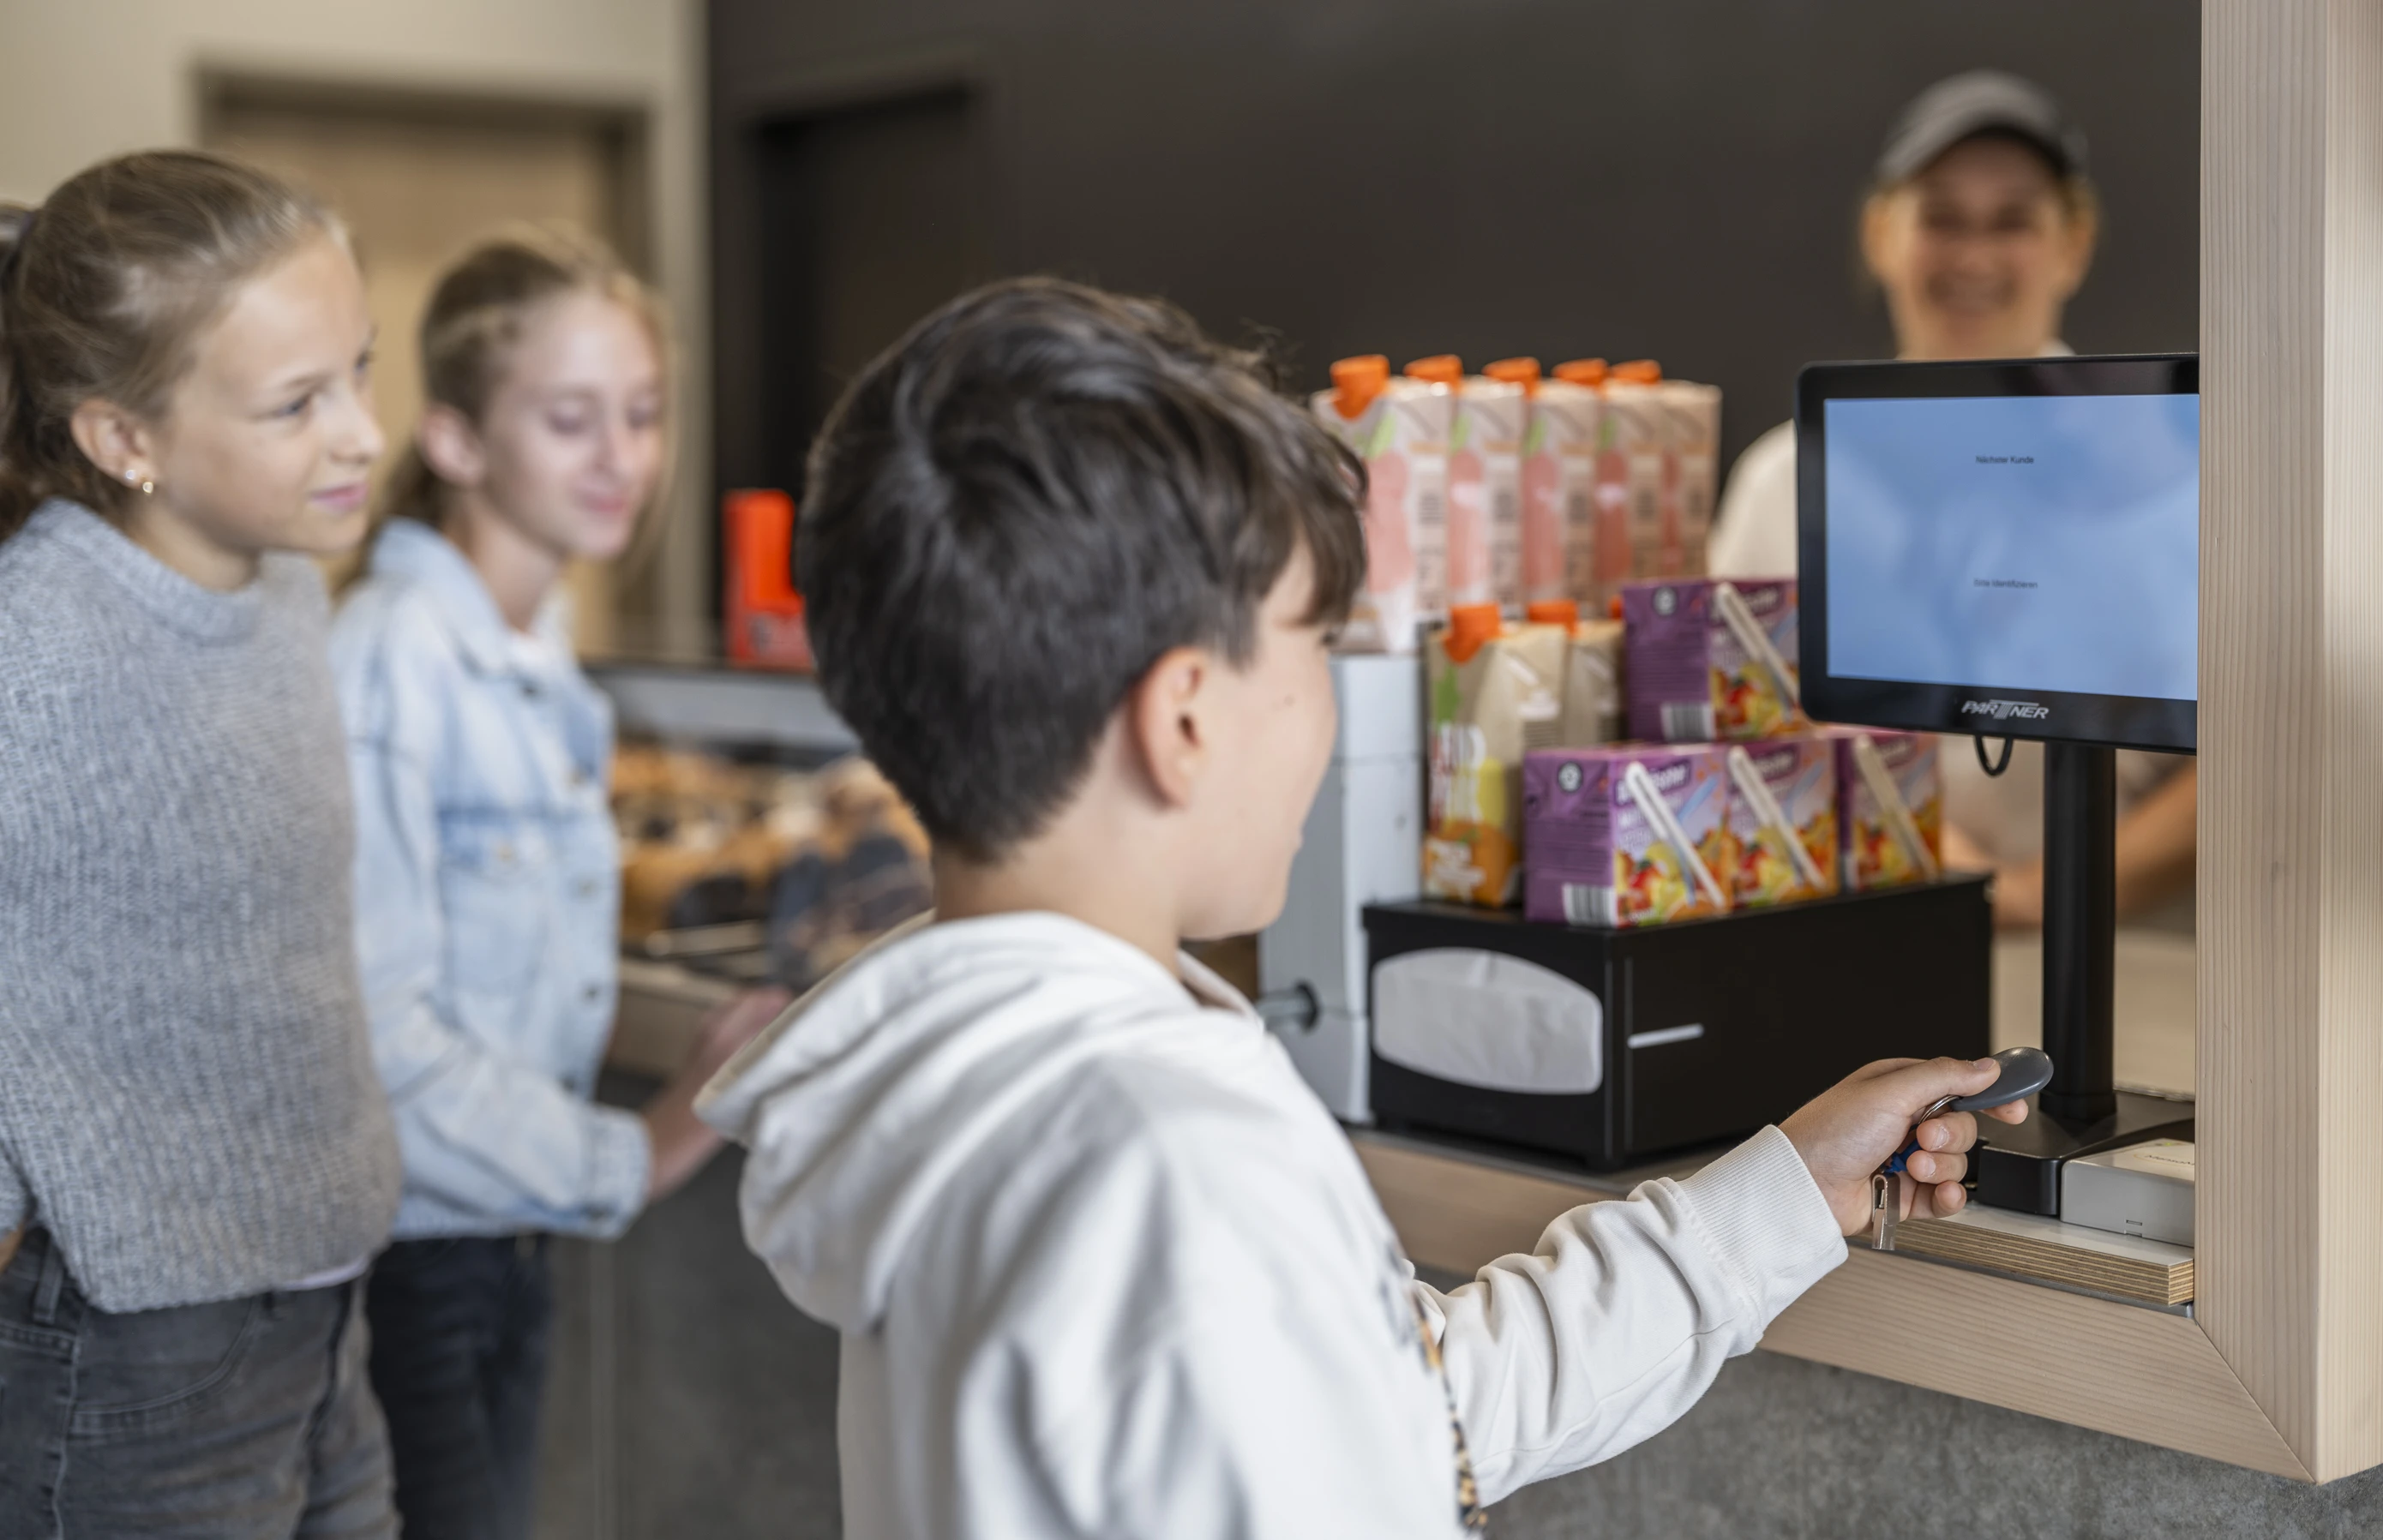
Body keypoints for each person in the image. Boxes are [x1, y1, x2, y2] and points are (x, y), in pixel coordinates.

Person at [696, 278, 2026, 1537]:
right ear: (1184, 718)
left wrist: (1788, 1191)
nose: (1330, 714)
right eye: (1313, 647)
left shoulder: (978, 1068)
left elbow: (1405, 1403)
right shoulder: (1173, 1159)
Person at [329, 227, 785, 1539]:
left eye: (643, 415)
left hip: (503, 1245)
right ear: (460, 440)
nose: (623, 459)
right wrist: (638, 1149)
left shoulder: (538, 652)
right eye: (572, 419)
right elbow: (379, 1034)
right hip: (415, 1264)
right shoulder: (391, 658)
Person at [0, 151, 403, 1535]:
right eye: (300, 403)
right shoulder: (28, 641)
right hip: (134, 1349)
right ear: (125, 438)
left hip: (323, 1307)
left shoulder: (288, 588)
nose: (363, 434)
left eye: (359, 368)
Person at [1708, 70, 2196, 928]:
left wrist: (2033, 903)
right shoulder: (1782, 480)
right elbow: (1730, 714)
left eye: (2012, 221)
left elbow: (2259, 746)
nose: (1972, 256)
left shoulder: (2175, 480)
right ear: (1877, 235)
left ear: (2072, 244)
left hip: (2112, 967)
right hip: (1852, 946)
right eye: (1940, 217)